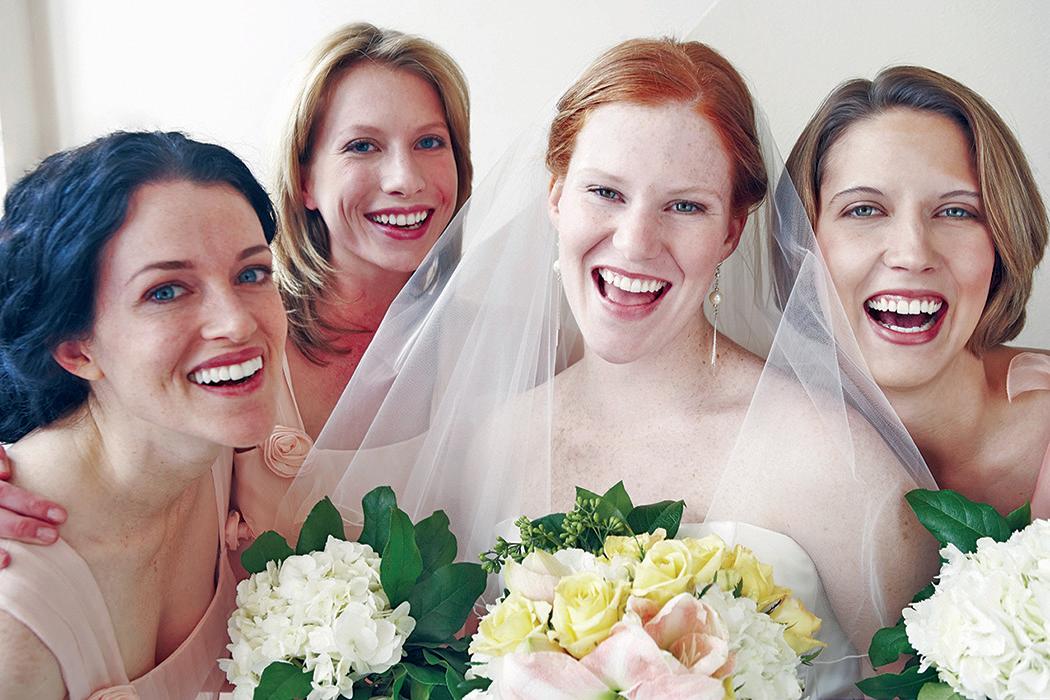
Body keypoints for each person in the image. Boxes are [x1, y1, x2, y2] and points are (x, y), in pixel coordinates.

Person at [279, 38, 938, 697]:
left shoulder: (833, 460)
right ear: (556, 197)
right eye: (605, 192)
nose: (635, 242)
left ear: (732, 232)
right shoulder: (498, 442)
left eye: (685, 206)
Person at [0, 22, 473, 552]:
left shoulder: (513, 341)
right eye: (362, 146)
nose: (404, 178)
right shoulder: (229, 341)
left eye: (430, 142)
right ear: (305, 178)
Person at [0, 131, 286, 698]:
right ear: (75, 349)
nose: (236, 322)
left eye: (251, 274)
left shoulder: (206, 441)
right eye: (166, 291)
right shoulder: (14, 626)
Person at [786, 66, 1050, 517]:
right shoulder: (763, 451)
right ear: (802, 240)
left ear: (1004, 240)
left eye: (956, 212)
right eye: (864, 210)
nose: (912, 254)